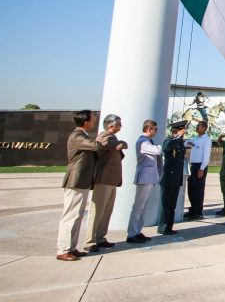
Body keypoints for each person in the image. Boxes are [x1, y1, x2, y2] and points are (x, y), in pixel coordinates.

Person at [56, 110, 99, 261]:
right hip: (76, 180)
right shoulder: (77, 136)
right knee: (70, 215)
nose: (95, 121)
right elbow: (95, 146)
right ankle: (63, 250)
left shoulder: (82, 135)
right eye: (93, 118)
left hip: (82, 181)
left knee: (77, 216)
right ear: (85, 122)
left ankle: (72, 247)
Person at [84, 114, 127, 253]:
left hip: (111, 180)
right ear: (110, 126)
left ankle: (100, 238)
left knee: (107, 211)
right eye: (119, 124)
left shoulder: (113, 138)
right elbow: (104, 145)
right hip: (103, 179)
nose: (120, 126)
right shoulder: (104, 136)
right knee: (97, 211)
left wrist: (120, 144)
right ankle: (90, 241)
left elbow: (123, 145)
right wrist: (118, 145)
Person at [127, 119, 163, 243]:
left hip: (150, 177)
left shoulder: (149, 142)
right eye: (155, 129)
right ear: (148, 129)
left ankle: (137, 231)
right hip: (144, 177)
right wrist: (158, 146)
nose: (156, 131)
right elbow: (158, 151)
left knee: (143, 207)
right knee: (138, 206)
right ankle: (132, 233)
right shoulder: (142, 142)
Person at [160, 120, 187, 235]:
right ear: (178, 130)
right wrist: (178, 137)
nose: (185, 132)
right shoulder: (170, 140)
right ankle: (164, 227)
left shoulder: (179, 142)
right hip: (169, 177)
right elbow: (166, 148)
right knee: (166, 204)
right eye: (183, 130)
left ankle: (169, 227)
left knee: (172, 205)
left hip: (176, 178)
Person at [184, 120, 211, 219]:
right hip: (193, 165)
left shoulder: (206, 139)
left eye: (199, 126)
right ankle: (193, 209)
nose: (197, 127)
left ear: (204, 128)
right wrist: (189, 142)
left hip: (200, 166)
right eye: (197, 125)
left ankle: (198, 211)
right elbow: (186, 143)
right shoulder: (196, 138)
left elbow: (207, 156)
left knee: (198, 189)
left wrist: (202, 168)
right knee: (191, 188)